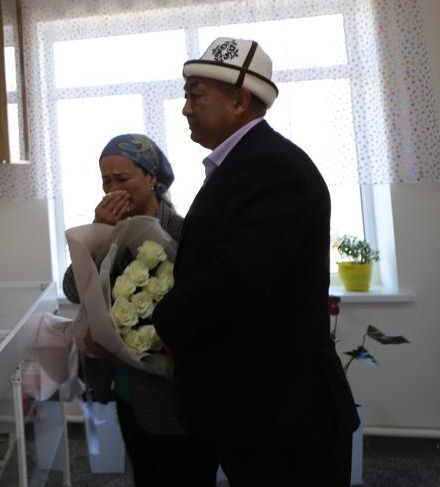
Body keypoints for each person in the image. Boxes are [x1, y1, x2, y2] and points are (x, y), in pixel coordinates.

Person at [152, 37, 359, 485]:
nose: (186, 109)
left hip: (283, 414)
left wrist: (162, 322)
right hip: (257, 407)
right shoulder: (246, 163)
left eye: (195, 97)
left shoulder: (273, 168)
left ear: (240, 101)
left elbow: (237, 278)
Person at [63, 133, 218, 487]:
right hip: (126, 387)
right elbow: (73, 289)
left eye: (123, 178)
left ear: (152, 177)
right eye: (106, 181)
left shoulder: (181, 231)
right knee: (145, 472)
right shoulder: (109, 230)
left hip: (174, 391)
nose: (113, 189)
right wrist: (99, 231)